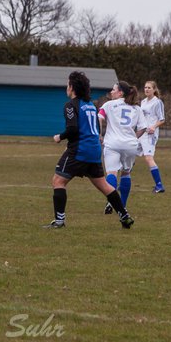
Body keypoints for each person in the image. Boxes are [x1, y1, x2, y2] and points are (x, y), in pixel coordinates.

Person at [44, 70, 134, 230]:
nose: (66, 87)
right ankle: (124, 215)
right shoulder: (90, 105)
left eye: (68, 84)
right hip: (94, 150)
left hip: (80, 150)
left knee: (58, 181)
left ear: (72, 87)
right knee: (104, 186)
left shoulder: (71, 106)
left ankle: (59, 221)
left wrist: (60, 136)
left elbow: (72, 129)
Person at [97, 80, 146, 214]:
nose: (111, 92)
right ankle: (122, 206)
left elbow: (99, 118)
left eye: (113, 90)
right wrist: (133, 138)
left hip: (112, 144)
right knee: (126, 173)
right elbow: (143, 128)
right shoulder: (137, 108)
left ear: (120, 93)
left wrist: (100, 134)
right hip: (130, 145)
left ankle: (110, 201)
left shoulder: (108, 105)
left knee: (111, 173)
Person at [138, 80, 167, 193]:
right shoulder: (143, 102)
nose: (147, 89)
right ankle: (124, 183)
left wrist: (153, 127)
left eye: (149, 87)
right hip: (141, 134)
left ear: (154, 89)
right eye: (145, 87)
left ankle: (159, 185)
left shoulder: (157, 102)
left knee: (148, 158)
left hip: (150, 135)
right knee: (129, 155)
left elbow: (162, 119)